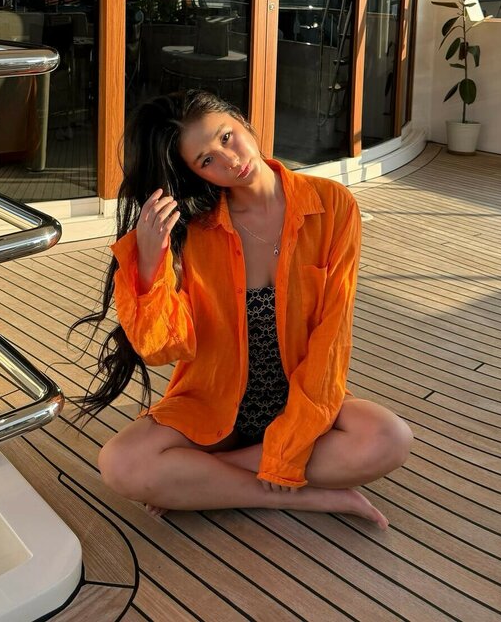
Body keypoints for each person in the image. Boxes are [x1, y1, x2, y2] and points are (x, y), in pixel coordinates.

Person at [73, 90, 412, 523]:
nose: (229, 161)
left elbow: (332, 337)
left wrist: (286, 445)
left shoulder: (331, 205)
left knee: (389, 438)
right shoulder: (193, 229)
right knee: (120, 463)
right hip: (212, 408)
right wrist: (151, 263)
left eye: (226, 137)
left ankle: (204, 478)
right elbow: (163, 349)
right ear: (195, 172)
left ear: (243, 122)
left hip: (303, 403)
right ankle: (302, 497)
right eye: (206, 160)